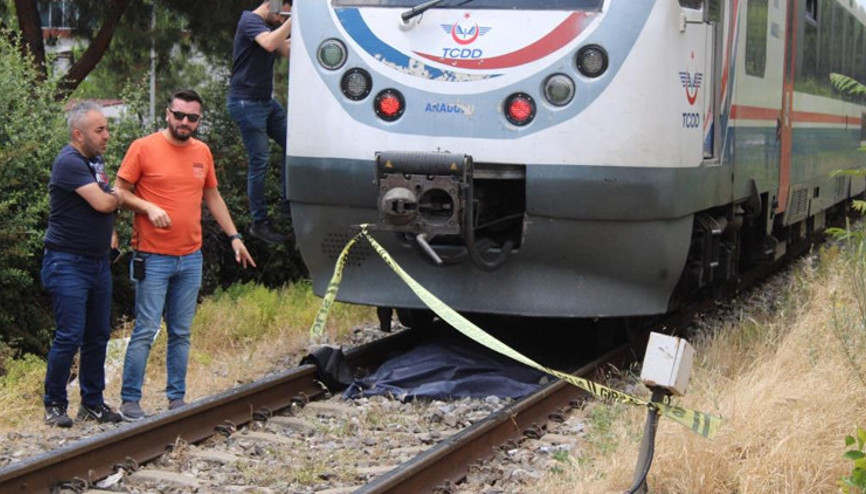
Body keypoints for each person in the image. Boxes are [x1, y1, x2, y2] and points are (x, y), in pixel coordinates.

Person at [114, 89, 256, 421]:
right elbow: (119, 192)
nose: (184, 122)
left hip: (190, 257)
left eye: (192, 117)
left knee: (181, 331)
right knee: (147, 329)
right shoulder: (143, 147)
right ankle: (129, 400)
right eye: (179, 115)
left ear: (198, 121)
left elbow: (213, 197)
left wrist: (234, 236)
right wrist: (148, 207)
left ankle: (176, 398)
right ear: (167, 114)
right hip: (152, 256)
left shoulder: (202, 152)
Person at [41, 101, 125, 427]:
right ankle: (54, 404)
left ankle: (92, 403)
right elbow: (105, 200)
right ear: (78, 134)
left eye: (106, 128)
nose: (106, 135)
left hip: (97, 262)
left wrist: (112, 230)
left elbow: (103, 200)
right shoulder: (69, 162)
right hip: (67, 263)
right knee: (70, 335)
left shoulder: (96, 161)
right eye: (99, 130)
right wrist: (121, 196)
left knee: (98, 335)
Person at [228, 0, 293, 243]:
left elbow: (286, 50)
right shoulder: (250, 21)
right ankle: (259, 221)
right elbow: (268, 44)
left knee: (293, 144)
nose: (282, 18)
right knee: (260, 161)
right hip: (246, 103)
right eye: (282, 12)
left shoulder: (267, 28)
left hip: (266, 102)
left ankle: (288, 202)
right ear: (272, 4)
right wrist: (292, 20)